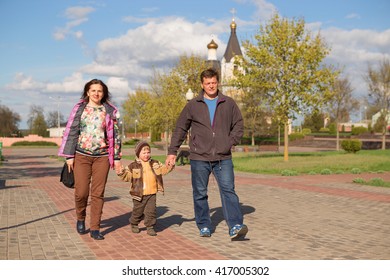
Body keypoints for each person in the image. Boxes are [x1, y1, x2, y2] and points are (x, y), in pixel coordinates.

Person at [165, 68, 248, 239]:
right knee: (200, 192)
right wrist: (172, 152)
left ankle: (235, 225)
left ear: (218, 83)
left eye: (214, 82)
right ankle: (204, 225)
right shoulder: (193, 105)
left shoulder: (229, 103)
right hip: (199, 157)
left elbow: (239, 125)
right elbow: (181, 128)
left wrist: (229, 142)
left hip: (222, 157)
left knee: (228, 190)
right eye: (207, 83)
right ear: (202, 84)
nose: (211, 86)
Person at [58, 79, 122, 240]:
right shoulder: (80, 109)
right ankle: (80, 217)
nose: (96, 93)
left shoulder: (109, 111)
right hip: (81, 155)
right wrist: (69, 156)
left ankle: (95, 228)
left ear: (104, 93)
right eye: (93, 90)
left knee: (98, 193)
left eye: (99, 91)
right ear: (87, 92)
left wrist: (117, 157)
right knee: (81, 193)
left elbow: (115, 136)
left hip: (102, 157)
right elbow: (72, 131)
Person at [117, 141, 173, 236]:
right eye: (144, 153)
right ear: (138, 153)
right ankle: (134, 223)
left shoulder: (155, 163)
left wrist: (169, 165)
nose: (146, 155)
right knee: (137, 211)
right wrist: (121, 172)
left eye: (148, 152)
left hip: (152, 192)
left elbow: (163, 170)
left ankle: (150, 226)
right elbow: (127, 177)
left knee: (151, 211)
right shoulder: (133, 166)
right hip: (138, 194)